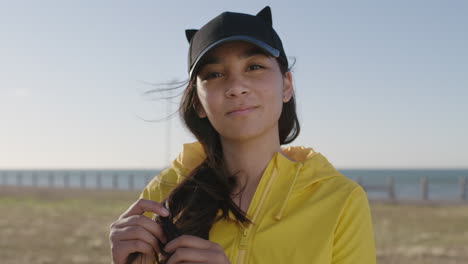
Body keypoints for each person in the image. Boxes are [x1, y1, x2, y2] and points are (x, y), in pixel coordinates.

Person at [109, 6, 376, 264]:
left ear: (286, 85)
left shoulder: (340, 199)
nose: (236, 87)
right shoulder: (166, 192)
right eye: (214, 74)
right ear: (198, 104)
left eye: (254, 67)